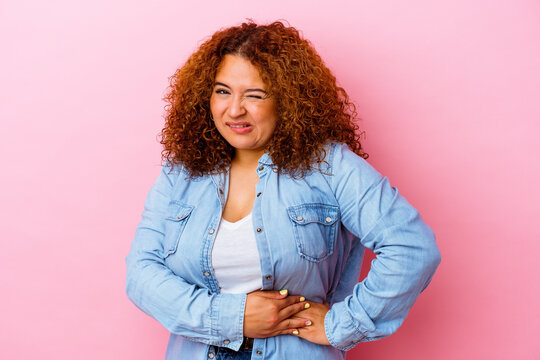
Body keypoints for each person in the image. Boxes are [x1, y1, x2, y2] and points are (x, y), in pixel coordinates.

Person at [126, 21, 441, 360]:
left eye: (255, 95)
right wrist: (234, 318)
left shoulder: (331, 166)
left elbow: (412, 248)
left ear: (288, 99)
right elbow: (141, 274)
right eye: (222, 91)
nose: (234, 110)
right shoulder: (183, 172)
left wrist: (341, 325)